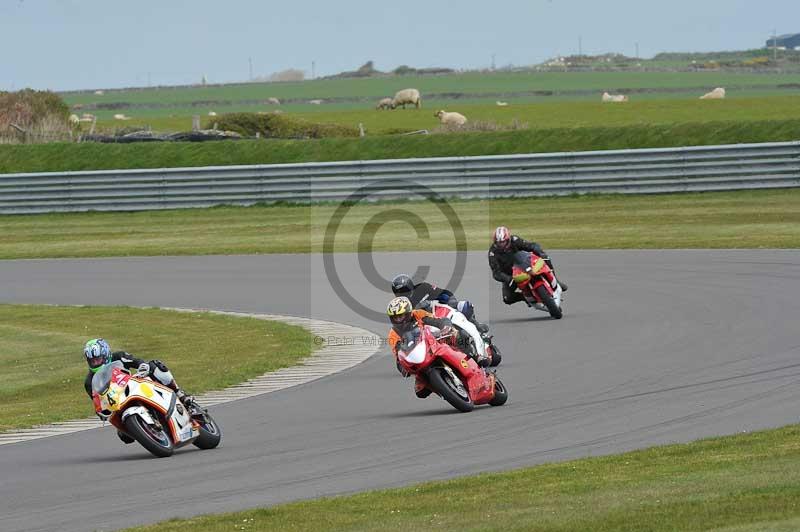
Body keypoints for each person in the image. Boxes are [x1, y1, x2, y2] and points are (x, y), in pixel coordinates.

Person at [83, 338, 194, 443]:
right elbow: (97, 402)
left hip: (133, 386)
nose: (95, 363)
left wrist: (142, 366)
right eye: (92, 361)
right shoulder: (89, 382)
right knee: (124, 436)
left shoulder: (119, 356)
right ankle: (145, 430)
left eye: (98, 359)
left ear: (106, 354)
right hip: (118, 403)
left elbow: (137, 362)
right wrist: (101, 413)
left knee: (155, 365)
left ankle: (179, 393)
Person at [386, 296, 480, 398]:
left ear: (408, 313)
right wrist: (403, 368)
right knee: (420, 392)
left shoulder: (418, 314)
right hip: (419, 357)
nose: (398, 320)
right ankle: (445, 389)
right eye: (395, 317)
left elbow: (438, 321)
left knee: (459, 335)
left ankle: (476, 357)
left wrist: (445, 327)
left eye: (401, 316)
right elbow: (398, 354)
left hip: (435, 342)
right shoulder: (393, 334)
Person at [488, 226, 568, 306]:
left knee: (545, 257)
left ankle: (555, 280)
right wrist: (508, 279)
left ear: (508, 239)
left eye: (503, 242)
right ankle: (526, 298)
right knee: (507, 298)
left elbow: (531, 245)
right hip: (511, 275)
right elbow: (496, 273)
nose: (501, 244)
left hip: (524, 264)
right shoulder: (492, 253)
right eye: (499, 242)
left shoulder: (514, 240)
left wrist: (540, 252)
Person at [390, 273, 488, 333]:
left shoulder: (423, 288)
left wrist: (449, 301)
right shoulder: (402, 306)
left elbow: (443, 293)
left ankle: (476, 325)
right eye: (398, 293)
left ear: (411, 287)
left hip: (441, 313)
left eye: (405, 291)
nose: (402, 294)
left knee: (463, 306)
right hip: (427, 324)